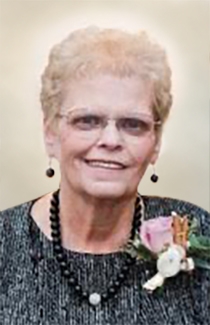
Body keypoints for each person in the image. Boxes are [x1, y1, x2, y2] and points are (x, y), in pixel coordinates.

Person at [0, 26, 209, 325]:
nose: (111, 140)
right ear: (50, 134)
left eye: (132, 124)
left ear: (156, 143)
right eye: (87, 120)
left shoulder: (198, 233)